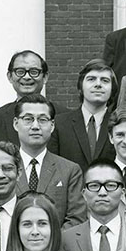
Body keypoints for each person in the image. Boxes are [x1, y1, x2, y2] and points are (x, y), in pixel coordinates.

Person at [12, 95, 86, 227]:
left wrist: (50, 242)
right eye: (28, 119)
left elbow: (76, 219)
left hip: (57, 246)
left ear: (52, 126)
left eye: (42, 119)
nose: (35, 126)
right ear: (16, 124)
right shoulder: (3, 168)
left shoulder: (70, 170)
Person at [0, 51, 60, 154]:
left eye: (34, 71)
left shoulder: (64, 116)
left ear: (45, 77)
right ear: (10, 76)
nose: (27, 77)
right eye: (20, 71)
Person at [56, 59, 118, 172]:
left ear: (112, 89)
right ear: (81, 86)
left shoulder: (119, 125)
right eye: (91, 79)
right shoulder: (59, 124)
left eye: (105, 80)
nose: (98, 84)